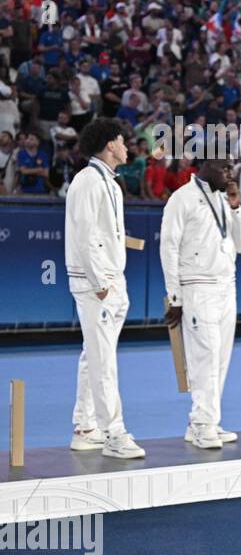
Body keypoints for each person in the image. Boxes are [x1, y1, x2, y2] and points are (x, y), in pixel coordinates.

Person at [64, 118, 145, 459]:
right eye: (124, 141)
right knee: (103, 362)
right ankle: (114, 433)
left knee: (94, 356)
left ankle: (85, 427)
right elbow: (83, 236)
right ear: (110, 144)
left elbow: (101, 234)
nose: (128, 147)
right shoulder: (87, 181)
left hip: (113, 280)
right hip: (95, 284)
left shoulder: (109, 182)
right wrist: (100, 284)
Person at [159, 149, 241, 449]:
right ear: (206, 166)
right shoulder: (181, 198)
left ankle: (207, 420)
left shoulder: (225, 199)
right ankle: (201, 424)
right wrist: (175, 295)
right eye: (225, 168)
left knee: (221, 359)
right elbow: (168, 248)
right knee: (204, 359)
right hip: (197, 287)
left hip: (227, 286)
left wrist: (236, 208)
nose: (230, 174)